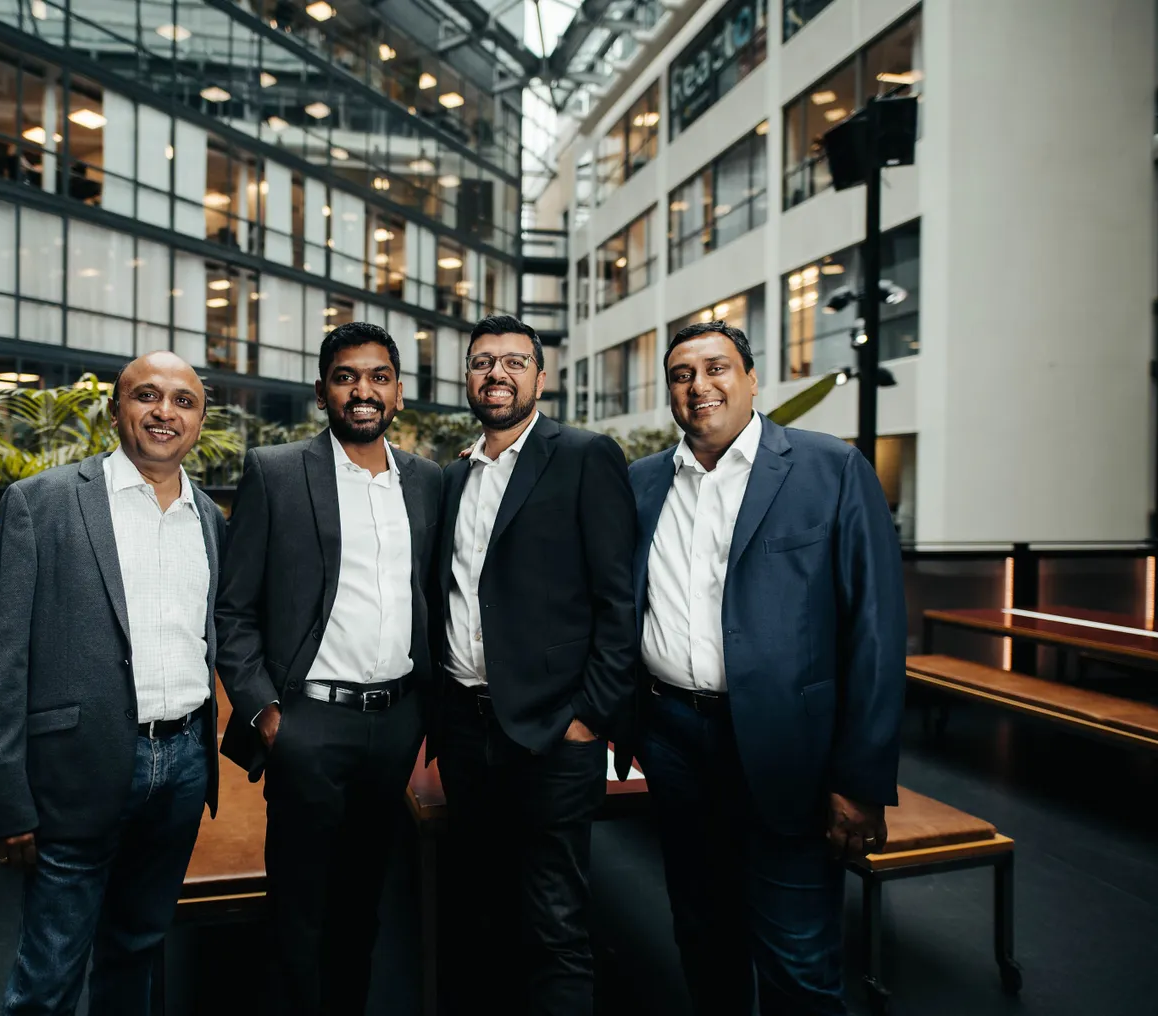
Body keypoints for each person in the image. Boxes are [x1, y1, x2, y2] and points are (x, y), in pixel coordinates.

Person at [628, 320, 906, 1015]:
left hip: (790, 753)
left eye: (717, 368)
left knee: (798, 961)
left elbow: (875, 630)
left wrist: (859, 779)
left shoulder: (828, 468)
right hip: (672, 741)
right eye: (682, 374)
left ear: (752, 380)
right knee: (701, 935)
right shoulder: (640, 484)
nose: (700, 386)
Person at [0, 351, 228, 1016]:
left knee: (137, 947)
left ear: (199, 420)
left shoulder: (212, 521)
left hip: (184, 765)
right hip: (77, 769)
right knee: (50, 970)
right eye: (146, 395)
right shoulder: (42, 503)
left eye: (182, 401)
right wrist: (4, 799)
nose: (164, 411)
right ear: (117, 409)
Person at [215, 322, 443, 1016]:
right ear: (322, 392)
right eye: (346, 377)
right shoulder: (275, 471)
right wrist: (266, 713)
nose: (362, 391)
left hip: (396, 723)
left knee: (364, 901)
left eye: (378, 377)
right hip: (307, 724)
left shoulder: (429, 481)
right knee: (298, 907)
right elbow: (233, 611)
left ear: (399, 393)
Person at [430, 314, 637, 1016]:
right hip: (465, 729)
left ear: (539, 378)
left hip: (552, 733)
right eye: (483, 361)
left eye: (514, 361)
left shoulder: (583, 455)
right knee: (476, 908)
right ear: (467, 378)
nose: (497, 373)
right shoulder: (452, 477)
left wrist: (588, 719)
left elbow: (619, 600)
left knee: (553, 921)